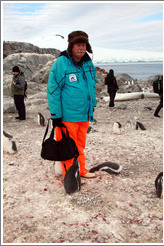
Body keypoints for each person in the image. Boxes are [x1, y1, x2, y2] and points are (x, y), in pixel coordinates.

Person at [47, 30, 97, 181]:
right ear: (71, 46)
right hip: (67, 115)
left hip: (83, 114)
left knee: (80, 145)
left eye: (83, 45)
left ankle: (80, 170)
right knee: (67, 147)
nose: (81, 48)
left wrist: (92, 104)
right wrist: (56, 115)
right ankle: (69, 176)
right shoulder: (61, 63)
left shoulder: (88, 63)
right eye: (78, 45)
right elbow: (53, 89)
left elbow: (92, 85)